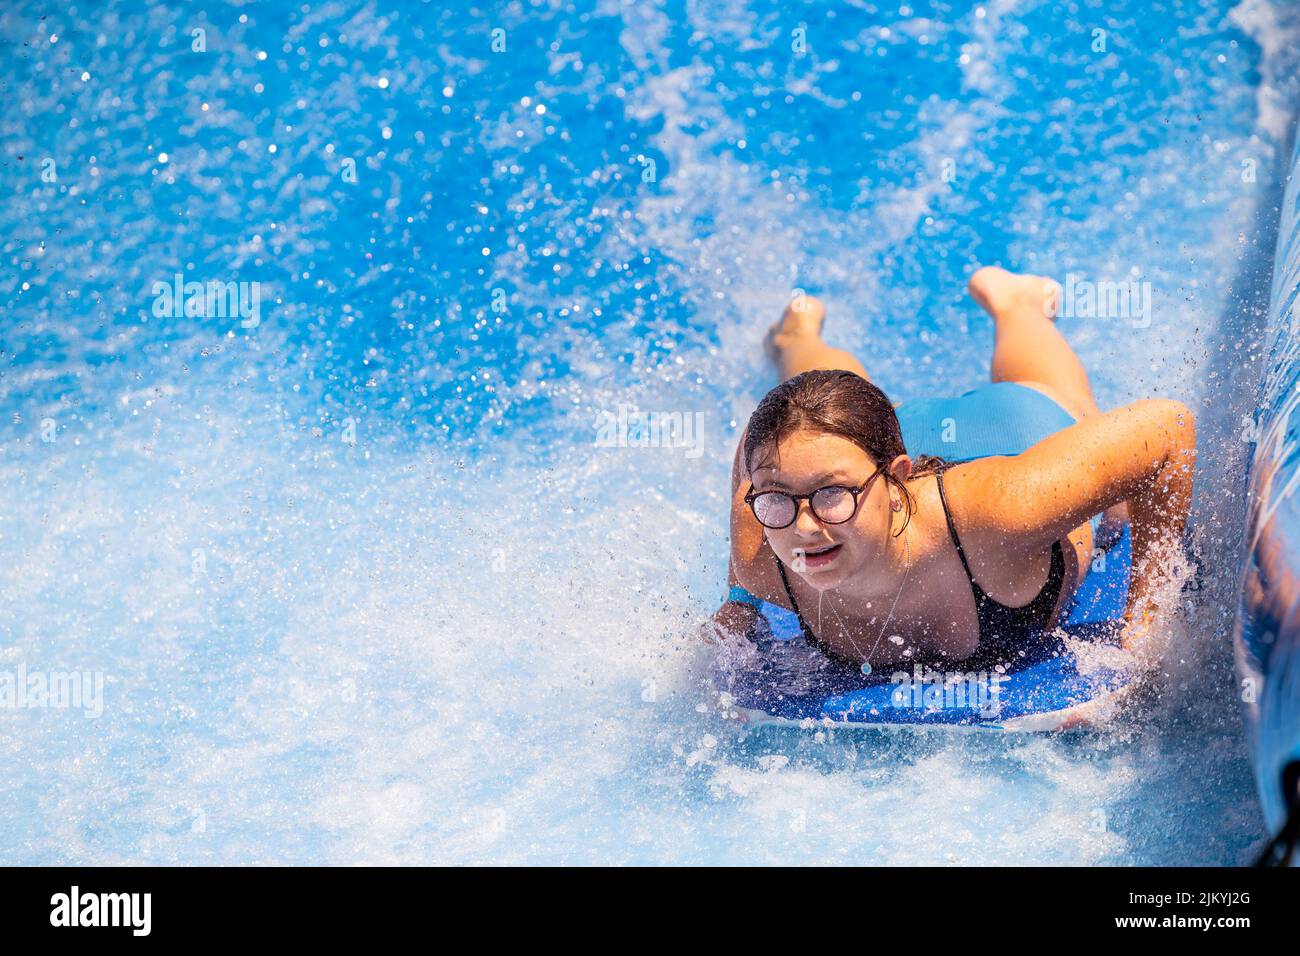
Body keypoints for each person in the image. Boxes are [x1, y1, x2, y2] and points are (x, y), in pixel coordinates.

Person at [708, 267, 1196, 691]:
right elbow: (763, 438)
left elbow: (1166, 429)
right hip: (874, 446)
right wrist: (741, 604)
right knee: (809, 416)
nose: (805, 528)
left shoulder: (1005, 515)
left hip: (1016, 428)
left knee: (1113, 514)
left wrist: (1145, 630)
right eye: (777, 498)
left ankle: (1017, 303)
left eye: (832, 497)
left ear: (898, 479)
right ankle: (796, 336)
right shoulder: (763, 540)